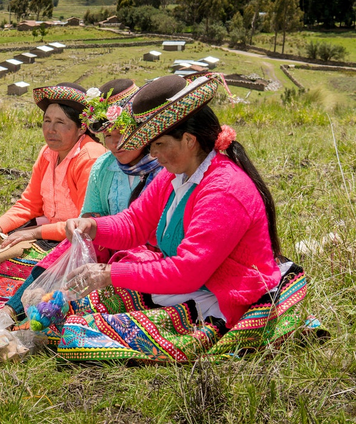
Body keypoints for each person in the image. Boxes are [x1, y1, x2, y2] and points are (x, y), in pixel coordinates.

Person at [52, 74, 306, 362]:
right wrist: (92, 226)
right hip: (190, 286)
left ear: (188, 140)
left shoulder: (224, 190)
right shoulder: (175, 176)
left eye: (159, 144)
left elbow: (188, 271)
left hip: (222, 298)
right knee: (73, 309)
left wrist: (110, 274)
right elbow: (135, 223)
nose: (153, 153)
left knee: (83, 331)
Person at [2, 78, 162, 319]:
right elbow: (89, 214)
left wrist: (37, 231)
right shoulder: (104, 166)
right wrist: (83, 225)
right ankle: (12, 310)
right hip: (110, 245)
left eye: (123, 133)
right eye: (108, 135)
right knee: (73, 245)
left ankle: (68, 310)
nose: (115, 143)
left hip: (148, 253)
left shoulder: (161, 169)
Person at [0, 83, 105, 247]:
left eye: (60, 122)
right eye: (47, 120)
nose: (50, 129)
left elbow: (84, 224)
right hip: (49, 227)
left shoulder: (89, 158)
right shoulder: (48, 153)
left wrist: (35, 232)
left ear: (81, 128)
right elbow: (30, 203)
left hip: (77, 238)